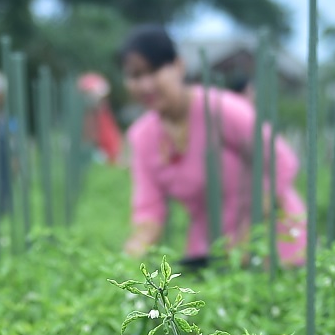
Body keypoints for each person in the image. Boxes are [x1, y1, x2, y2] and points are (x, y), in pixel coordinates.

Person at [119, 25, 306, 265]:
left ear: (178, 66)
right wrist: (124, 267)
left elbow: (282, 161)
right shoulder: (142, 136)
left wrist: (246, 237)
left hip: (275, 241)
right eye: (135, 76)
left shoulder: (221, 109)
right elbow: (149, 213)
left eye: (154, 71)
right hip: (212, 249)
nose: (145, 85)